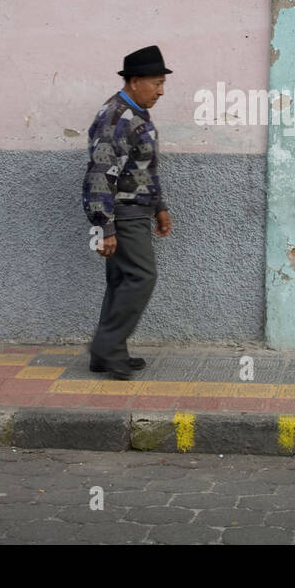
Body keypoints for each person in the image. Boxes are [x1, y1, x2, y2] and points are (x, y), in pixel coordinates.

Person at [82, 45, 174, 380]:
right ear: (135, 81)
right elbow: (100, 173)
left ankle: (108, 353)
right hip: (123, 212)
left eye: (163, 83)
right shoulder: (115, 118)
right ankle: (107, 346)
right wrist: (104, 226)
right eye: (156, 83)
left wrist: (160, 207)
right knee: (141, 277)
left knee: (122, 280)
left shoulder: (136, 114)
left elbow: (144, 168)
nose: (161, 91)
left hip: (138, 209)